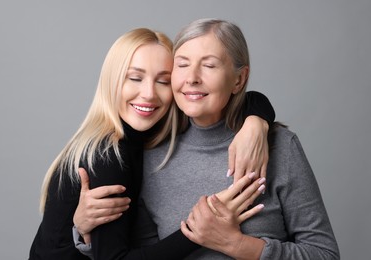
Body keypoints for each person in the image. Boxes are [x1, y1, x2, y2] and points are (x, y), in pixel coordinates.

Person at [73, 18, 340, 259]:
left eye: (209, 65)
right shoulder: (152, 154)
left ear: (239, 79)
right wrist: (85, 232)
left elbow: (325, 254)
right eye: (182, 65)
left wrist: (236, 244)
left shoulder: (279, 147)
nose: (192, 78)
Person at [29, 27, 275, 259]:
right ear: (112, 82)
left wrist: (256, 123)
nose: (148, 93)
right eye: (135, 78)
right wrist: (198, 230)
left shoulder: (146, 135)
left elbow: (245, 98)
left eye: (163, 81)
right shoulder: (109, 156)